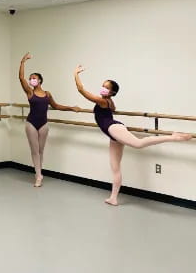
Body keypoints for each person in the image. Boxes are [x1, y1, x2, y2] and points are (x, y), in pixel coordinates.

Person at [74, 65, 192, 205]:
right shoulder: (109, 102)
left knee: (138, 144)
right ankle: (113, 198)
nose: (102, 88)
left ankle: (173, 136)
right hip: (113, 133)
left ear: (111, 92)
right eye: (102, 85)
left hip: (113, 128)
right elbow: (113, 109)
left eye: (106, 87)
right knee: (115, 167)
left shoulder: (103, 101)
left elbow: (81, 90)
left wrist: (76, 74)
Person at [19, 52, 79, 187]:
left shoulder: (47, 94)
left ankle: (40, 172)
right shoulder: (30, 92)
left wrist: (71, 108)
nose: (31, 80)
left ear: (40, 80)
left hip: (44, 124)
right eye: (30, 78)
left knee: (41, 150)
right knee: (34, 150)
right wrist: (22, 62)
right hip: (31, 124)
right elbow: (20, 78)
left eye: (34, 78)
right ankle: (38, 175)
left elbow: (56, 106)